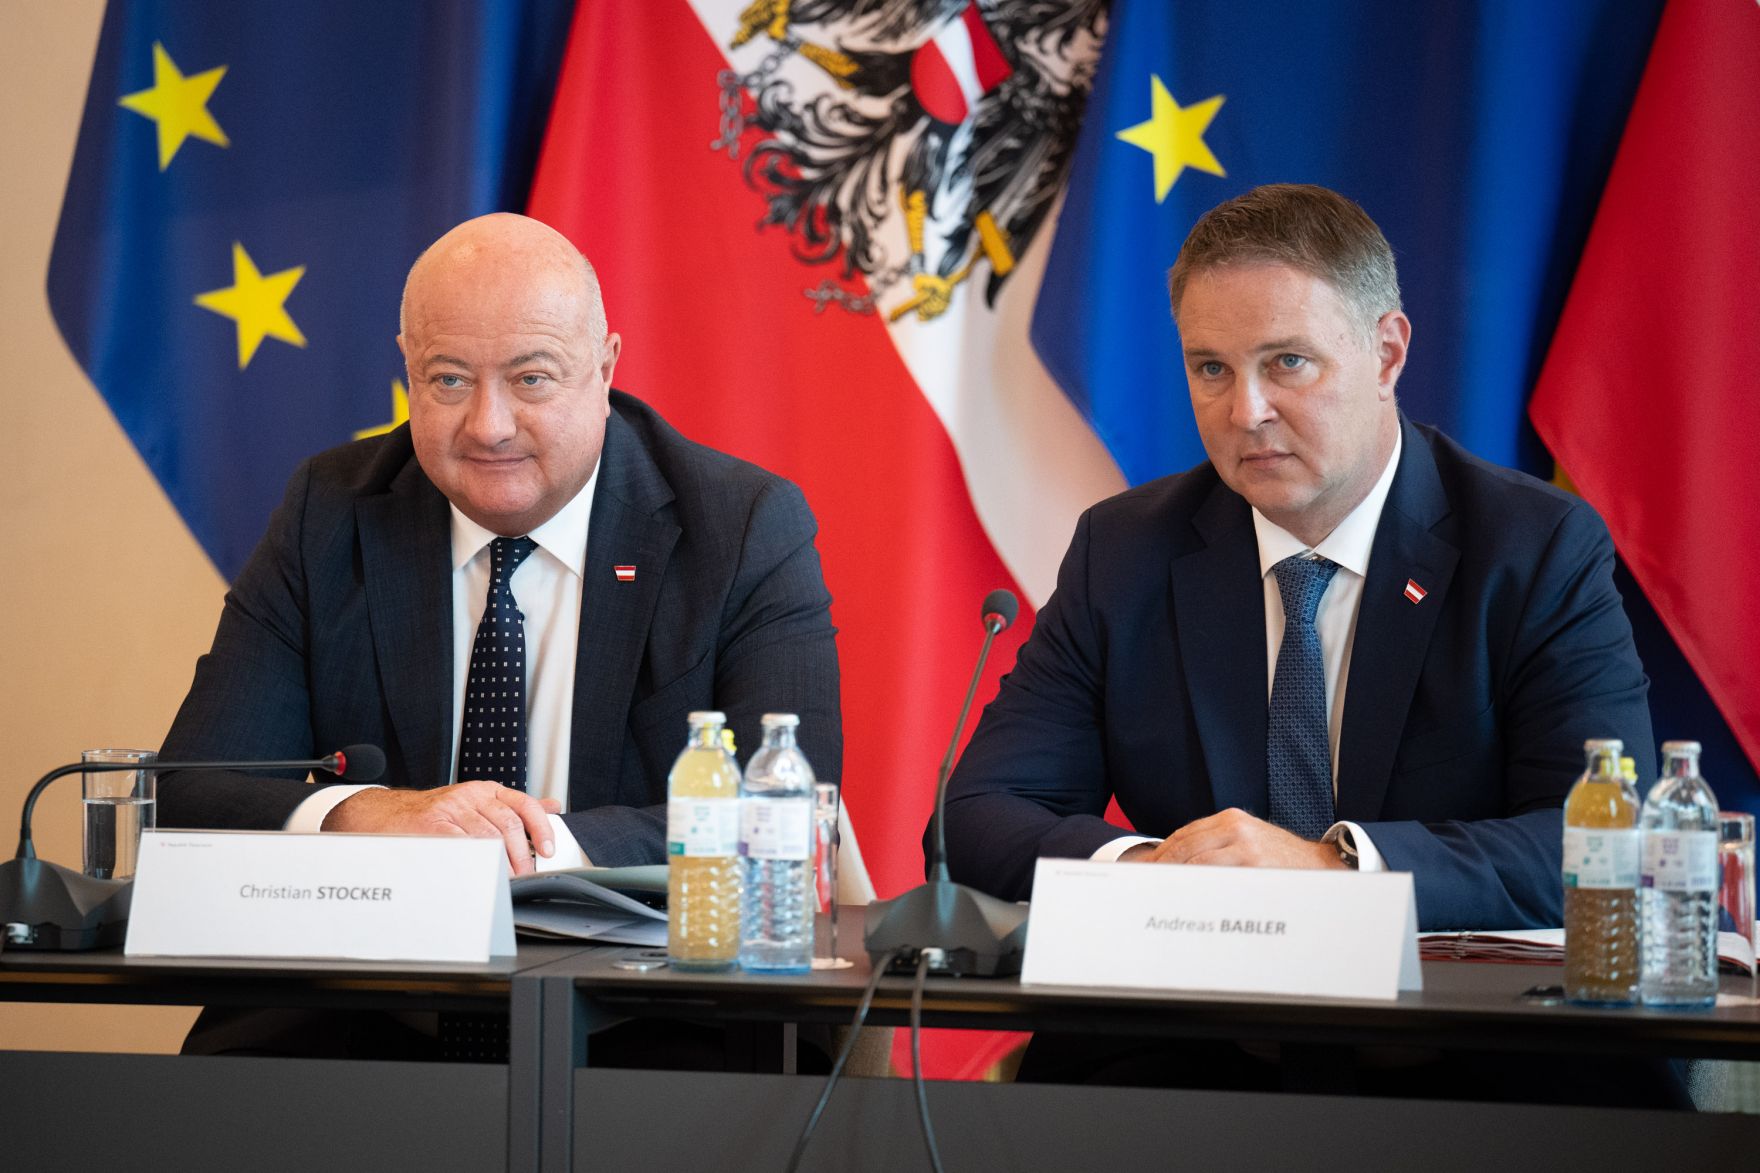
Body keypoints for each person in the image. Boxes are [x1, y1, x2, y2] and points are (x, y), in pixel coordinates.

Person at [941, 183, 1652, 933]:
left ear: (1386, 355)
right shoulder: (1123, 552)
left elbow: (1602, 843)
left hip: (1447, 1032)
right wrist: (1155, 872)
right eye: (1211, 369)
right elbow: (974, 816)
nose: (1246, 411)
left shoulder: (1534, 548)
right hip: (1188, 1027)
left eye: (1287, 362)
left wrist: (1332, 870)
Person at [157, 212, 842, 875]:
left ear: (604, 371)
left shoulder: (741, 526)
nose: (489, 426)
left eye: (530, 379)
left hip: (630, 979)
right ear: (408, 368)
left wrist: (530, 848)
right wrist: (366, 814)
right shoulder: (333, 511)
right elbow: (190, 792)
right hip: (377, 974)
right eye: (449, 379)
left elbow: (782, 816)